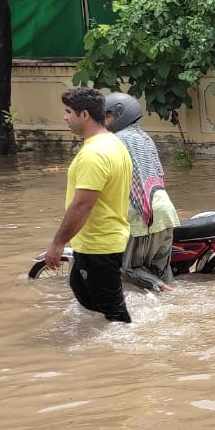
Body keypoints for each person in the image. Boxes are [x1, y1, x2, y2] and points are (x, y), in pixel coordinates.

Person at [44, 87, 134, 323]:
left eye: (68, 112)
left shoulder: (93, 154)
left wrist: (57, 243)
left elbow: (82, 205)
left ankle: (126, 355)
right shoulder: (114, 143)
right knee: (80, 287)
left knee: (115, 314)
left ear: (84, 115)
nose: (65, 117)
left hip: (99, 244)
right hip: (103, 240)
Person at [104, 92, 180, 293]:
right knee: (161, 271)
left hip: (142, 214)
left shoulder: (116, 141)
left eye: (107, 116)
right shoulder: (144, 138)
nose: (104, 121)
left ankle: (164, 289)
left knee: (126, 269)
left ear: (120, 114)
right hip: (165, 211)